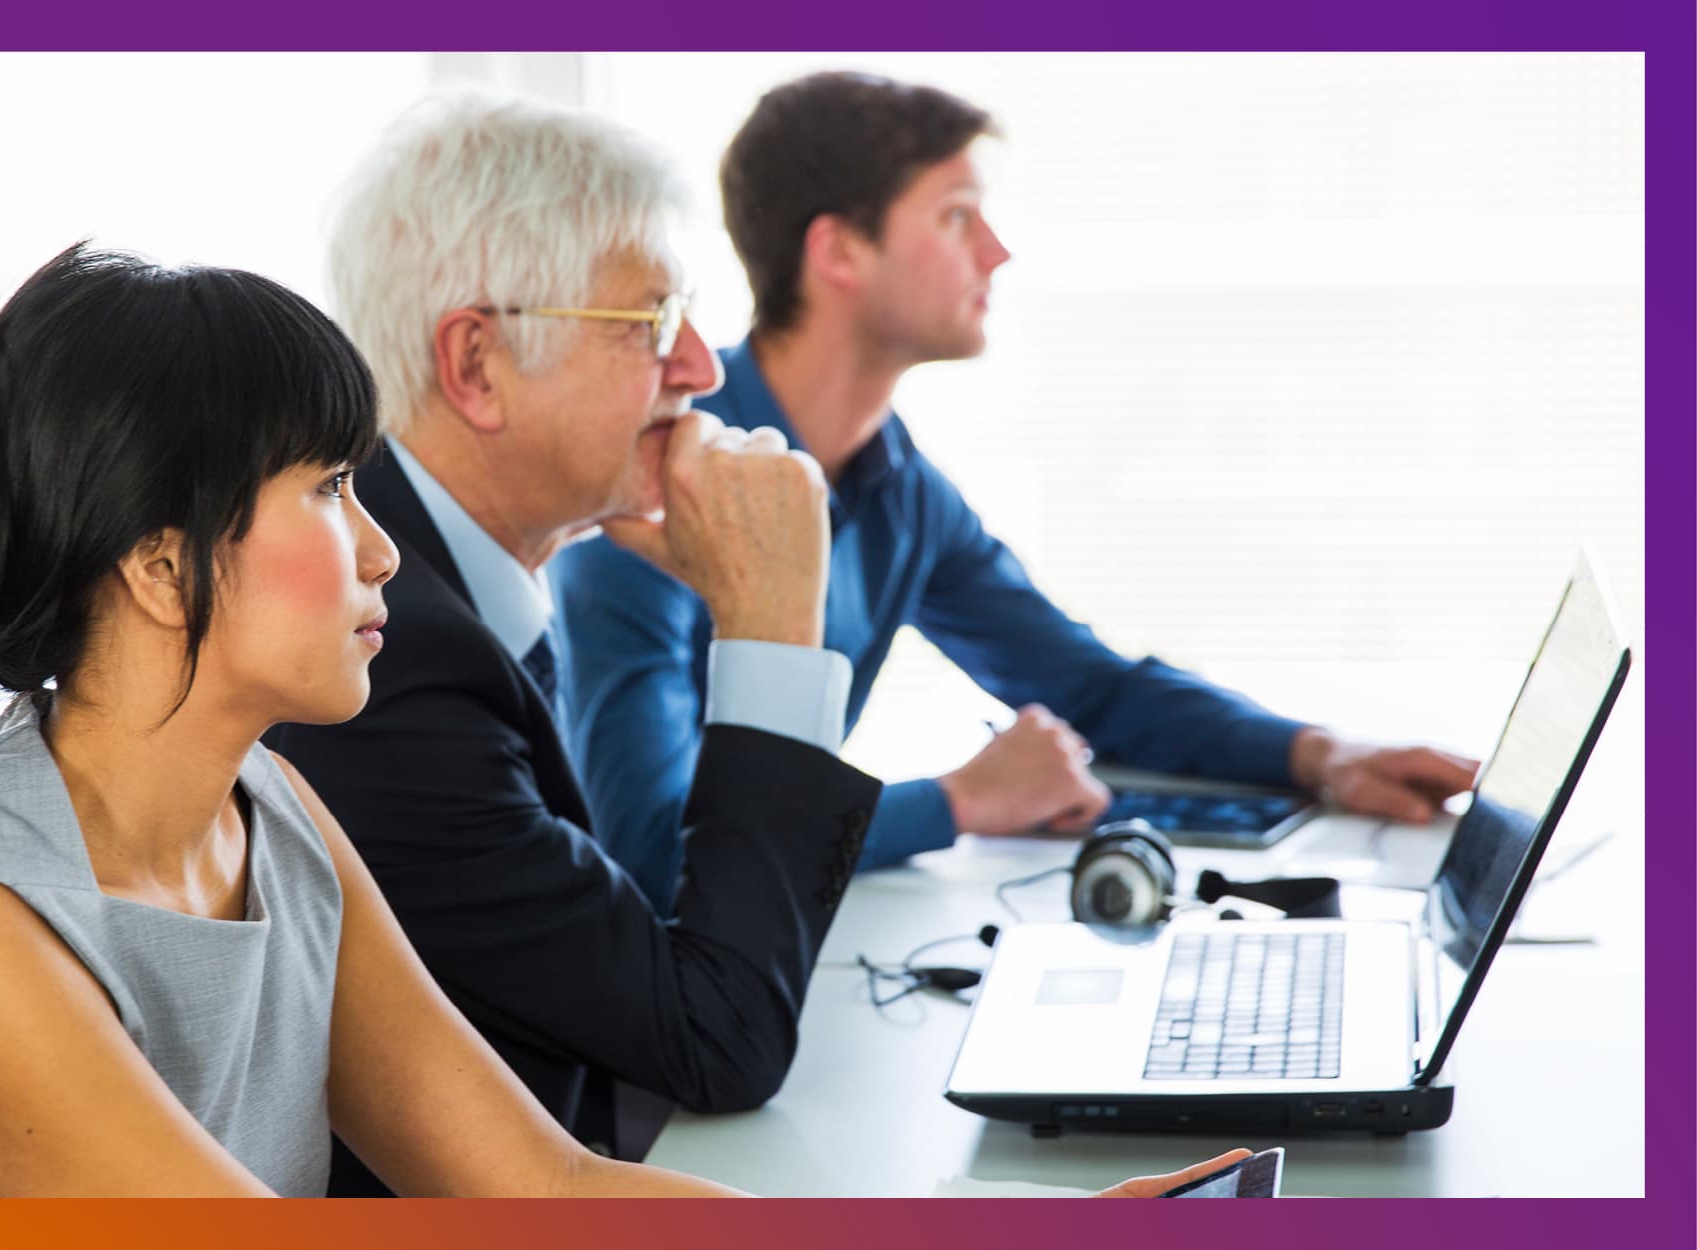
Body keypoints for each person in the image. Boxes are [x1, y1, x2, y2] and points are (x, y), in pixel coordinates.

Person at [264, 92, 1239, 1197]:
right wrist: (774, 620)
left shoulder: (454, 596)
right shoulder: (393, 660)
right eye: (648, 322)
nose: (699, 367)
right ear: (478, 364)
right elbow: (717, 1040)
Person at [0, 241, 753, 1197]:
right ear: (163, 567)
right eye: (330, 489)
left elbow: (547, 1186)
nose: (382, 555)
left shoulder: (271, 808)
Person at [552, 71, 1483, 913]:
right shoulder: (647, 492)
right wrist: (957, 802)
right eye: (957, 216)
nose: (997, 251)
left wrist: (1321, 755)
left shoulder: (898, 487)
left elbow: (1090, 687)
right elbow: (649, 851)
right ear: (840, 252)